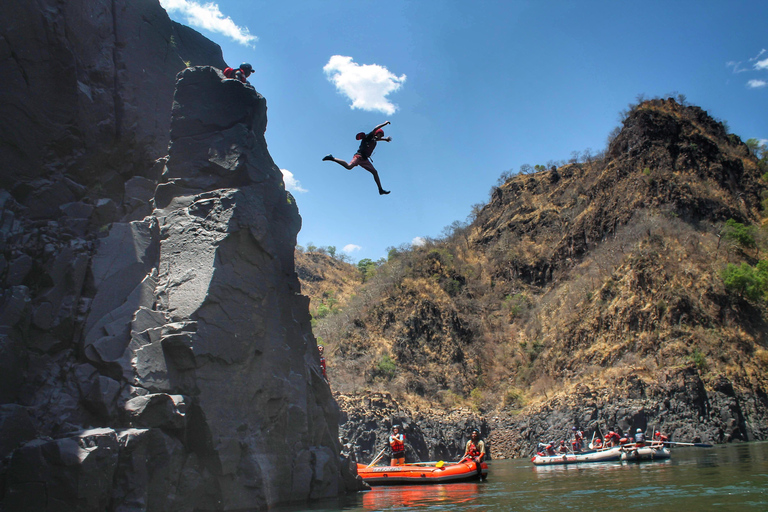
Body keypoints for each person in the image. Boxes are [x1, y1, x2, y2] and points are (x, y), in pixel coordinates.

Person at [323, 121, 392, 195]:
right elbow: (376, 128)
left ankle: (380, 190)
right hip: (359, 156)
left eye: (381, 136)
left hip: (365, 159)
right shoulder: (368, 136)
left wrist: (385, 139)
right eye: (380, 135)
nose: (380, 137)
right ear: (376, 133)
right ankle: (332, 158)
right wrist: (385, 123)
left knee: (375, 172)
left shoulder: (374, 139)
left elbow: (377, 139)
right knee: (349, 167)